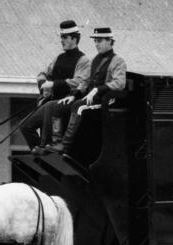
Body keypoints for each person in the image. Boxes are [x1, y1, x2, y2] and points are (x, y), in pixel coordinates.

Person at [46, 27, 127, 155]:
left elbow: (120, 83)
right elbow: (85, 81)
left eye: (99, 41)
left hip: (106, 102)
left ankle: (65, 145)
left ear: (109, 41)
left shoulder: (118, 61)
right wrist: (73, 95)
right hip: (89, 99)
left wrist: (97, 90)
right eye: (95, 41)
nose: (96, 44)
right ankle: (56, 142)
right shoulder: (95, 59)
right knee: (59, 106)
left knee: (79, 107)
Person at [20, 20, 91, 154]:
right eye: (61, 37)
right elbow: (43, 74)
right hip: (53, 102)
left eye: (65, 37)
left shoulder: (84, 60)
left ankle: (45, 147)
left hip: (70, 102)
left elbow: (78, 82)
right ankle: (38, 151)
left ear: (74, 38)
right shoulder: (59, 57)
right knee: (25, 126)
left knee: (50, 106)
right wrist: (43, 86)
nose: (61, 40)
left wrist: (53, 84)